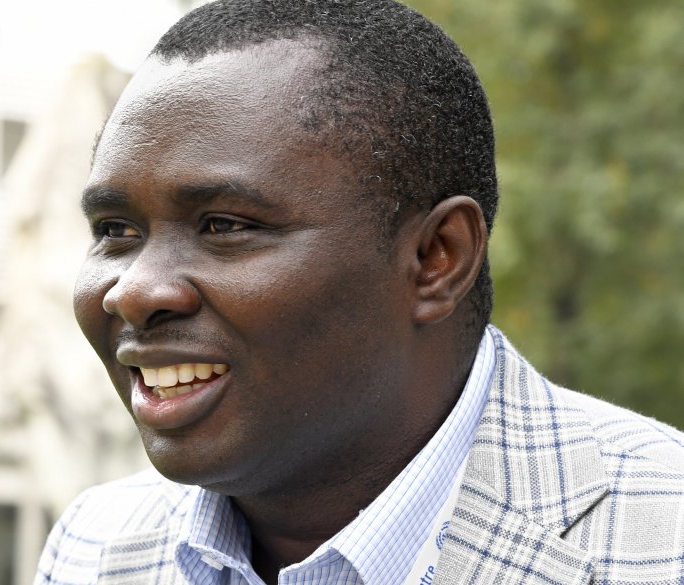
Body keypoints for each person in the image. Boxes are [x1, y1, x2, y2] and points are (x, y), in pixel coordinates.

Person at [34, 0, 684, 584]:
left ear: (437, 257)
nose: (134, 291)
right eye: (115, 230)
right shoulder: (96, 547)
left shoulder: (663, 537)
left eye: (224, 225)